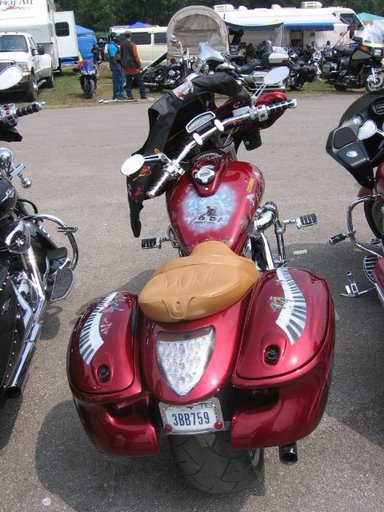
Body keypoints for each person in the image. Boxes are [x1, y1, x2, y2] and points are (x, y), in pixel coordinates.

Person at [119, 30, 148, 101]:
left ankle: (129, 96)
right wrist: (139, 65)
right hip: (133, 66)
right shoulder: (133, 45)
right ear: (131, 35)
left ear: (125, 36)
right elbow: (136, 56)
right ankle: (143, 95)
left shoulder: (121, 45)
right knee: (140, 81)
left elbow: (120, 55)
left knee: (128, 82)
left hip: (125, 66)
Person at [107, 33, 125, 100]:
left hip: (119, 65)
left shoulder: (115, 45)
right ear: (113, 38)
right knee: (117, 81)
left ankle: (120, 94)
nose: (117, 38)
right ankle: (117, 95)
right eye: (116, 37)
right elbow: (112, 57)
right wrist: (117, 66)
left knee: (121, 80)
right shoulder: (111, 46)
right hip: (116, 66)